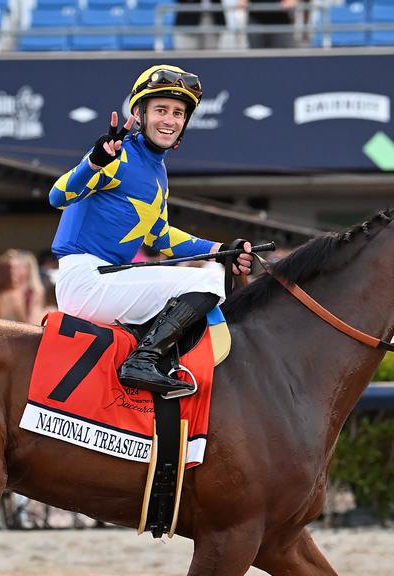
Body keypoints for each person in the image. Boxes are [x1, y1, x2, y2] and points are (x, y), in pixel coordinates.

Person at [48, 64, 252, 396]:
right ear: (140, 114)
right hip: (86, 280)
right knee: (207, 281)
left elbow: (159, 235)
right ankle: (144, 361)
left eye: (178, 113)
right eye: (161, 110)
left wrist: (220, 250)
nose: (170, 120)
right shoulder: (119, 154)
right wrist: (95, 161)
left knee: (210, 276)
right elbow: (57, 196)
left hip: (108, 278)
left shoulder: (157, 172)